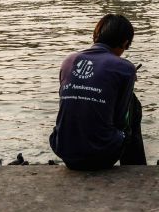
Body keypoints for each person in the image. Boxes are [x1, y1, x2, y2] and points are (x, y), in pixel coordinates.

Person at [49, 13, 145, 170]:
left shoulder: (69, 60)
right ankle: (136, 169)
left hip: (63, 149)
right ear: (125, 42)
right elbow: (121, 120)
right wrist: (126, 82)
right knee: (133, 104)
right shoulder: (125, 68)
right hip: (102, 156)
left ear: (96, 35)